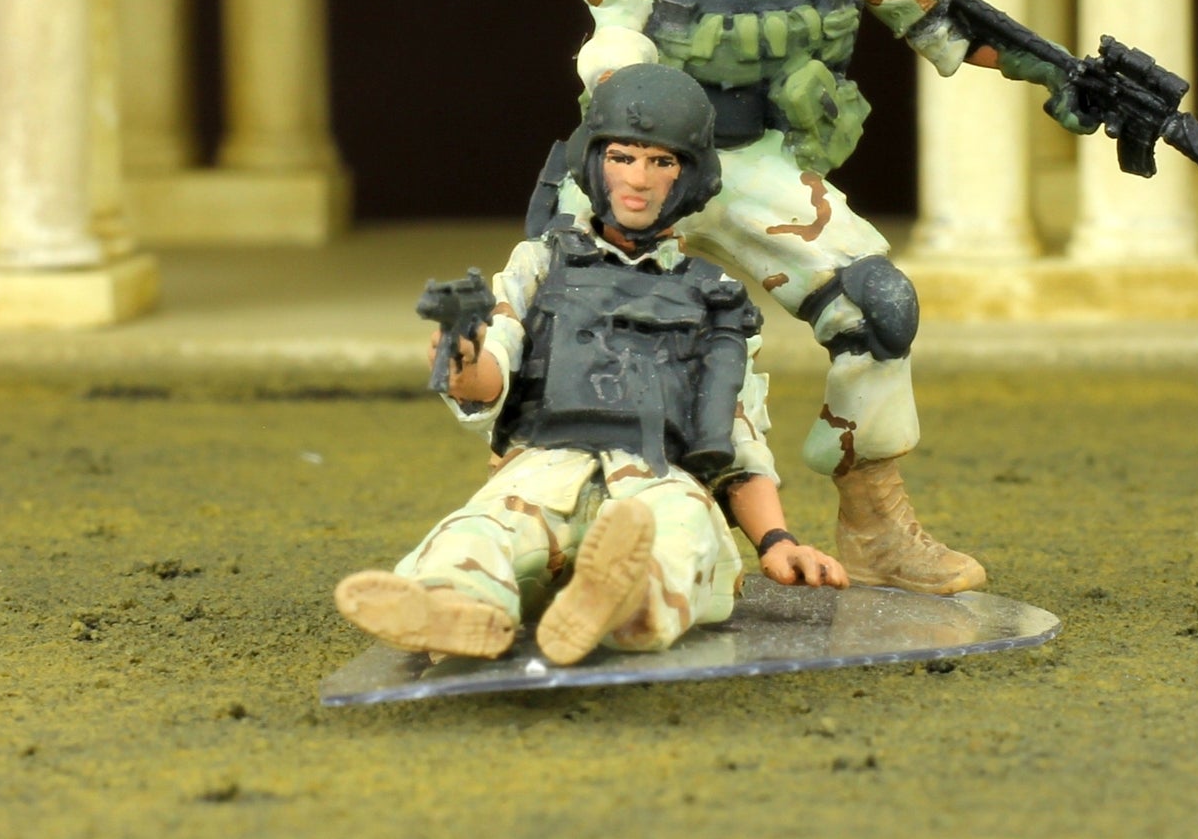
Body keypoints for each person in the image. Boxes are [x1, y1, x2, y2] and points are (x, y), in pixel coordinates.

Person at [567, 0, 1087, 595]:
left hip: (758, 162)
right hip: (647, 161)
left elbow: (932, 15)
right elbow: (613, 29)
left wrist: (1057, 73)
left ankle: (873, 521)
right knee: (594, 341)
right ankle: (573, 532)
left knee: (877, 307)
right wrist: (628, 147)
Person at [335, 64, 845, 669]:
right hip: (543, 471)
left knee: (682, 535)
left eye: (661, 162)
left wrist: (777, 540)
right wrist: (461, 356)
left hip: (660, 479)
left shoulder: (716, 299)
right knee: (481, 531)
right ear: (594, 161)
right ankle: (456, 609)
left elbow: (738, 440)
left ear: (688, 176)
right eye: (622, 157)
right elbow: (491, 376)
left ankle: (618, 603)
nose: (638, 180)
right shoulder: (540, 265)